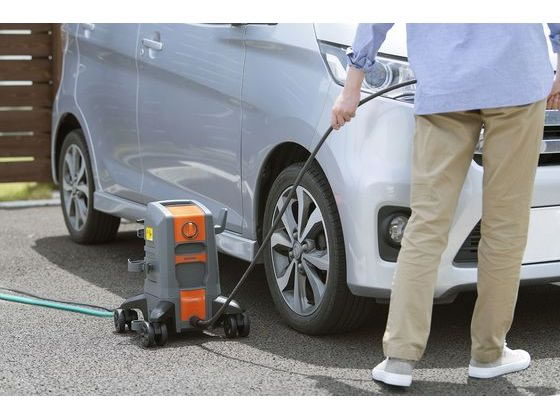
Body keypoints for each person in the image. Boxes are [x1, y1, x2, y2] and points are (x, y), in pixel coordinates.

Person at [331, 23, 560, 387]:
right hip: (516, 80)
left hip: (445, 85)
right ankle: (489, 353)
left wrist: (352, 87)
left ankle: (399, 358)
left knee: (427, 223)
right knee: (505, 224)